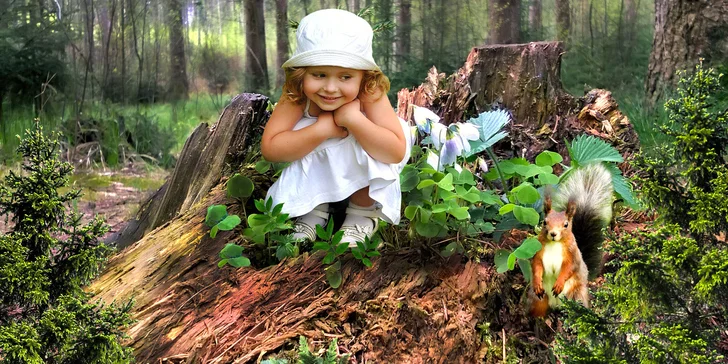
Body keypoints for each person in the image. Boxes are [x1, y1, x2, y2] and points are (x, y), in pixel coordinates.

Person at [261, 9, 411, 247]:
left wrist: (355, 120)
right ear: (302, 74)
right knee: (304, 131)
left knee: (365, 138)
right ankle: (313, 207)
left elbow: (394, 152)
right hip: (320, 161)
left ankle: (362, 211)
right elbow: (270, 148)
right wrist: (322, 129)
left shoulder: (369, 90)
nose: (330, 88)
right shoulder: (297, 94)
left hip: (369, 153)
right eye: (319, 74)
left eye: (345, 77)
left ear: (364, 76)